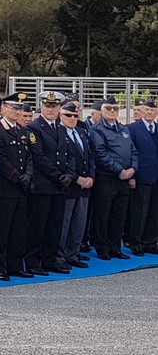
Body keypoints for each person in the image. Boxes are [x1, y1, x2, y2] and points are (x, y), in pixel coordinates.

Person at [25, 91, 75, 276]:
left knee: (55, 225)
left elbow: (70, 154)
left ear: (59, 108)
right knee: (38, 226)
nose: (50, 109)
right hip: (42, 184)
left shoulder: (61, 129)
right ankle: (32, 261)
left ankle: (50, 259)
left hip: (60, 186)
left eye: (54, 106)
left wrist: (70, 174)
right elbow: (38, 156)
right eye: (47, 106)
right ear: (41, 107)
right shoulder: (34, 128)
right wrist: (58, 176)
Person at [0, 93, 34, 281]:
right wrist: (17, 177)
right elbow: (1, 158)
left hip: (22, 187)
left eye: (20, 109)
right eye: (14, 108)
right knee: (2, 229)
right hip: (6, 187)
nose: (18, 112)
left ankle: (15, 265)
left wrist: (28, 175)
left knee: (19, 230)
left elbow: (30, 156)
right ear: (4, 109)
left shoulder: (23, 131)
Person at [90, 96, 138, 260]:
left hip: (124, 179)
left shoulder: (123, 129)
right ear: (102, 111)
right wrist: (119, 170)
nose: (112, 111)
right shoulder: (97, 129)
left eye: (115, 108)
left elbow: (133, 151)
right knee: (103, 214)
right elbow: (100, 154)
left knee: (119, 215)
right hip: (107, 178)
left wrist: (133, 169)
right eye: (108, 108)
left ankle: (115, 247)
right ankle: (102, 247)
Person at [58, 102, 94, 269]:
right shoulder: (58, 132)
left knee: (79, 222)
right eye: (68, 115)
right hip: (69, 185)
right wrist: (77, 178)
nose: (72, 118)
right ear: (60, 115)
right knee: (64, 223)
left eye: (75, 116)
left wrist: (90, 177)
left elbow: (90, 156)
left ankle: (73, 253)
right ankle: (60, 255)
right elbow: (62, 162)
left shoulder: (81, 132)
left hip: (85, 185)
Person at [126, 98, 158, 255]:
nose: (150, 113)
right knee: (139, 211)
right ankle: (136, 241)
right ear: (142, 111)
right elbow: (130, 153)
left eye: (153, 110)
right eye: (147, 110)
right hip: (141, 175)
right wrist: (132, 174)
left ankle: (150, 241)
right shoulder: (132, 129)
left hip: (156, 176)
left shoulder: (157, 128)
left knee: (154, 211)